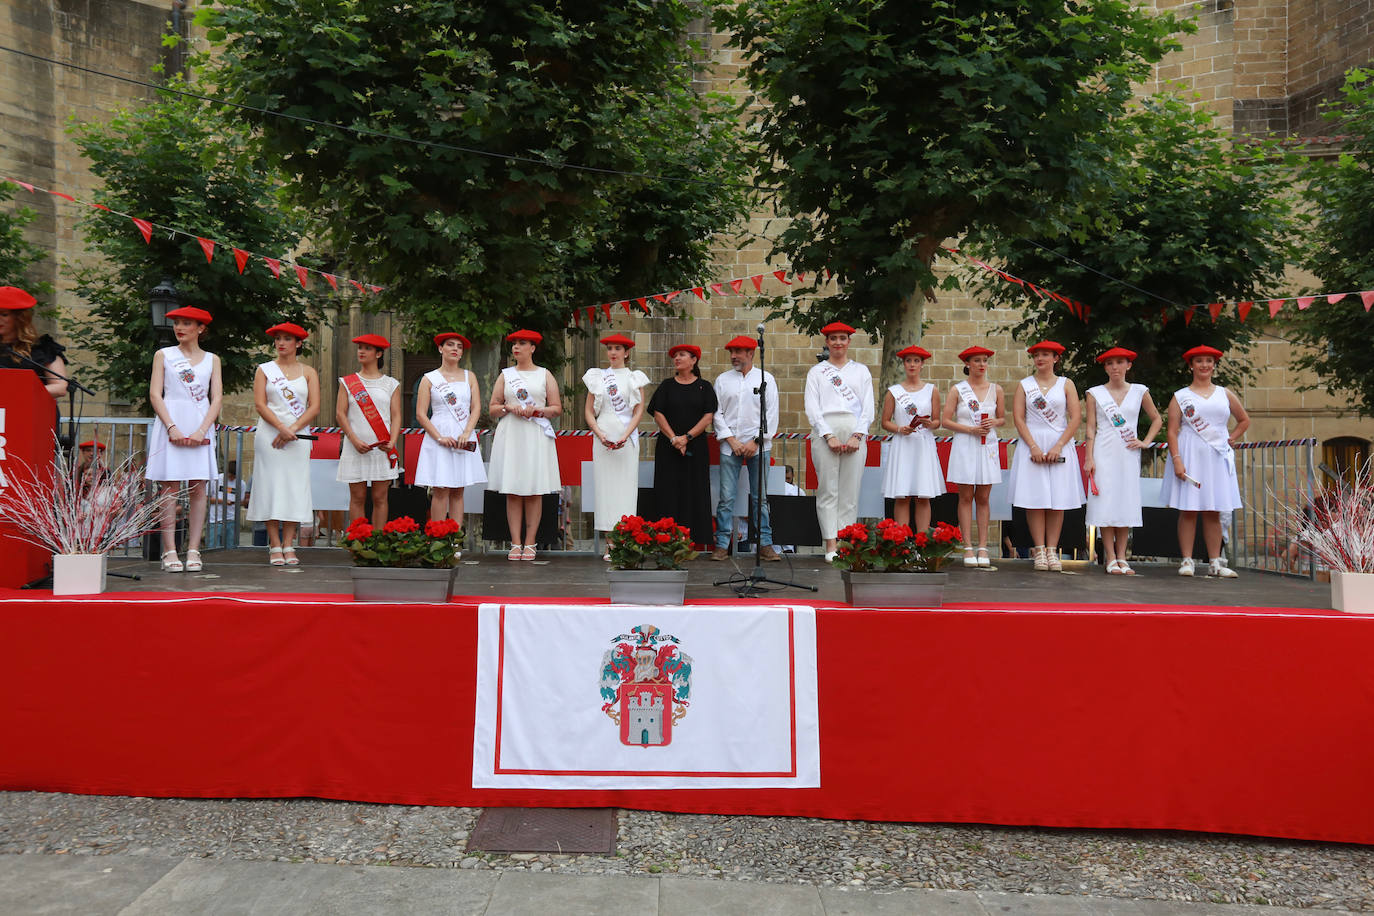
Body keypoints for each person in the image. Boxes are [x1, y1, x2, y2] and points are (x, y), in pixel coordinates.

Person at [1160, 345, 1250, 578]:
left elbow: (1243, 420)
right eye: (1199, 361)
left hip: (1216, 456)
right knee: (1189, 509)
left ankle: (1214, 562)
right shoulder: (1181, 396)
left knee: (1213, 510)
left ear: (1214, 365)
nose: (1204, 365)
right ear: (1191, 365)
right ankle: (1187, 560)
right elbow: (1172, 431)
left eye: (1209, 361)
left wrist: (1231, 438)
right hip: (1190, 453)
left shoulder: (1224, 393)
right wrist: (1177, 460)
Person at [145, 305, 222, 573]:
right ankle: (169, 550)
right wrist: (171, 426)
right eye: (177, 322)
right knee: (169, 488)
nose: (179, 327)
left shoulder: (212, 359)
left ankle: (193, 549)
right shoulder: (163, 355)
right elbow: (156, 394)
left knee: (199, 488)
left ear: (201, 328)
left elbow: (217, 398)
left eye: (187, 323)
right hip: (171, 420)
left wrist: (202, 429)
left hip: (200, 423)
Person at [1083, 347, 1163, 575]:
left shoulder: (1140, 391)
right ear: (1105, 367)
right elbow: (1090, 427)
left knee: (1125, 501)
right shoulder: (1095, 393)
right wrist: (1089, 457)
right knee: (1106, 503)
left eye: (1120, 362)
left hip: (1128, 452)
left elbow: (1157, 419)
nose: (1115, 367)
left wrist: (1145, 441)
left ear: (1129, 365)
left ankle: (1122, 556)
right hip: (1103, 451)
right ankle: (1109, 556)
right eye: (1110, 363)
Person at [246, 322, 320, 567]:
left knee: (293, 488)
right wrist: (281, 428)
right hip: (270, 435)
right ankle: (274, 543)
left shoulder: (309, 372)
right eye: (278, 338)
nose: (281, 343)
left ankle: (289, 543)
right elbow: (260, 404)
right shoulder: (265, 370)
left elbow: (314, 407)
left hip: (298, 437)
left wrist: (292, 430)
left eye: (287, 339)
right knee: (270, 486)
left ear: (298, 343)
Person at [1009, 340, 1084, 572]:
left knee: (1057, 500)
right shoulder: (1025, 385)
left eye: (1045, 355)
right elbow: (1019, 418)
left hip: (1059, 444)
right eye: (1036, 355)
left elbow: (1075, 417)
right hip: (1032, 443)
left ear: (1056, 358)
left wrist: (1059, 445)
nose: (1040, 359)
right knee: (1035, 499)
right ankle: (1039, 549)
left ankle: (1053, 550)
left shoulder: (1066, 384)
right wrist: (1032, 445)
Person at [489, 328, 562, 560]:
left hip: (535, 433)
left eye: (522, 343)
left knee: (533, 489)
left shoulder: (544, 374)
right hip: (512, 432)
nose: (516, 347)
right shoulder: (505, 375)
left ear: (533, 348)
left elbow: (556, 408)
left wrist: (537, 409)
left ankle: (530, 542)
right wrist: (508, 408)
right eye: (514, 344)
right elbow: (492, 408)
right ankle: (515, 542)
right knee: (512, 489)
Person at [805, 321, 875, 562]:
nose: (837, 342)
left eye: (842, 338)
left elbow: (868, 407)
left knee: (850, 490)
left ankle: (846, 541)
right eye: (833, 338)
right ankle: (830, 543)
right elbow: (812, 408)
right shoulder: (817, 372)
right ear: (827, 342)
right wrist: (828, 435)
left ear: (849, 341)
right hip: (826, 429)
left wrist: (858, 435)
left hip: (855, 429)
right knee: (827, 489)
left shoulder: (861, 371)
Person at [711, 334, 781, 562]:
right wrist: (730, 439)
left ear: (751, 353)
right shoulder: (722, 380)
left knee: (759, 498)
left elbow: (771, 414)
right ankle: (722, 544)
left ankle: (765, 543)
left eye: (738, 352)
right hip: (729, 445)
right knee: (726, 498)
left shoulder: (766, 379)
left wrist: (756, 440)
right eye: (731, 352)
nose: (733, 356)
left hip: (759, 446)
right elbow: (716, 412)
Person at [415, 332, 487, 552]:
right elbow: (421, 414)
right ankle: (437, 541)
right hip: (439, 433)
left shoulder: (469, 377)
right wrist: (438, 437)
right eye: (450, 345)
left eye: (459, 347)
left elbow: (476, 408)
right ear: (440, 349)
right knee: (440, 490)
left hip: (463, 433)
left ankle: (454, 541)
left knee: (458, 490)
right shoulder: (429, 378)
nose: (455, 349)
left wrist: (467, 432)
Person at [582, 333, 649, 559]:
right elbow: (589, 411)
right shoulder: (598, 377)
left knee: (625, 490)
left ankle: (625, 541)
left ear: (626, 352)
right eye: (610, 348)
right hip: (603, 435)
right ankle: (610, 543)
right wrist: (600, 434)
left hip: (626, 438)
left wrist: (626, 434)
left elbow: (639, 410)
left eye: (617, 349)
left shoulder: (634, 378)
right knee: (605, 490)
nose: (613, 352)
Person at [648, 343, 717, 549]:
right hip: (668, 448)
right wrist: (674, 439)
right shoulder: (667, 386)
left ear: (694, 360)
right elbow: (657, 412)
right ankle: (665, 539)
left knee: (694, 491)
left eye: (682, 355)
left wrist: (686, 438)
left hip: (695, 448)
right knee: (668, 491)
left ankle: (693, 540)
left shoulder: (704, 387)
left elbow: (708, 416)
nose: (677, 358)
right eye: (675, 355)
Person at [941, 345, 1005, 568]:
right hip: (965, 443)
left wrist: (994, 422)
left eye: (984, 360)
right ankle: (967, 545)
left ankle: (983, 546)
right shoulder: (958, 390)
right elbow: (945, 420)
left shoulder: (996, 389)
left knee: (984, 497)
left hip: (987, 444)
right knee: (965, 496)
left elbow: (1002, 418)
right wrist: (970, 430)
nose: (981, 364)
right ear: (967, 364)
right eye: (976, 360)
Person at [336, 333, 401, 528]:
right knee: (357, 496)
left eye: (367, 348)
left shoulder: (391, 383)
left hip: (382, 447)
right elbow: (340, 414)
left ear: (379, 354)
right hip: (355, 446)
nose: (361, 351)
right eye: (360, 348)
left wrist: (392, 440)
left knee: (380, 497)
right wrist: (354, 440)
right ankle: (359, 542)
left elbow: (396, 415)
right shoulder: (347, 382)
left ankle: (379, 543)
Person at [880, 344, 943, 532]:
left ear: (922, 364)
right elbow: (885, 421)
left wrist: (931, 424)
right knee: (902, 495)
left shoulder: (932, 390)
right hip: (903, 444)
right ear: (904, 364)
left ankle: (922, 543)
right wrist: (900, 428)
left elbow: (937, 420)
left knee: (923, 496)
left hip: (923, 444)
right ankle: (902, 543)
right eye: (909, 361)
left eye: (916, 361)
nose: (912, 365)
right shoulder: (894, 391)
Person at [0, 285, 67, 400]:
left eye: (4, 314)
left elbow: (60, 387)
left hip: (32, 412)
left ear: (20, 318)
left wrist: (17, 392)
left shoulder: (42, 348)